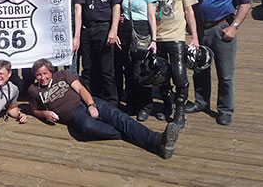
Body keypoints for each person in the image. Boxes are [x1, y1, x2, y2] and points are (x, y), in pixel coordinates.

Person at [28, 59, 179, 159]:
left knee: (120, 118)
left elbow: (80, 89)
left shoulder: (62, 75)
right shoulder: (34, 91)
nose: (42, 77)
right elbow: (34, 110)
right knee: (90, 127)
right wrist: (45, 113)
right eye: (39, 75)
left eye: (45, 73)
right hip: (74, 115)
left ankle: (157, 140)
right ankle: (141, 137)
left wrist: (91, 105)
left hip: (86, 102)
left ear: (51, 71)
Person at [188, 0, 251, 126]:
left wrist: (235, 26)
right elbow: (189, 3)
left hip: (222, 27)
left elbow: (245, 3)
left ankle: (225, 109)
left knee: (225, 73)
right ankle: (201, 101)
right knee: (200, 69)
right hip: (200, 28)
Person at [150, 0, 199, 128]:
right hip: (158, 36)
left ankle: (180, 109)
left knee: (179, 73)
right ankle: (167, 104)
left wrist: (194, 36)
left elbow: (189, 11)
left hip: (176, 35)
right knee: (161, 74)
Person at [117, 0, 158, 118]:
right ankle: (132, 104)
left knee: (141, 71)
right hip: (126, 31)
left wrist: (154, 39)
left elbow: (152, 17)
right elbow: (121, 10)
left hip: (142, 31)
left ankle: (146, 106)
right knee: (127, 69)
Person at [80, 0, 122, 105]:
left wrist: (114, 30)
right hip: (87, 29)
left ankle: (112, 103)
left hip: (104, 28)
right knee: (88, 68)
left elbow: (116, 6)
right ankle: (89, 99)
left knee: (106, 70)